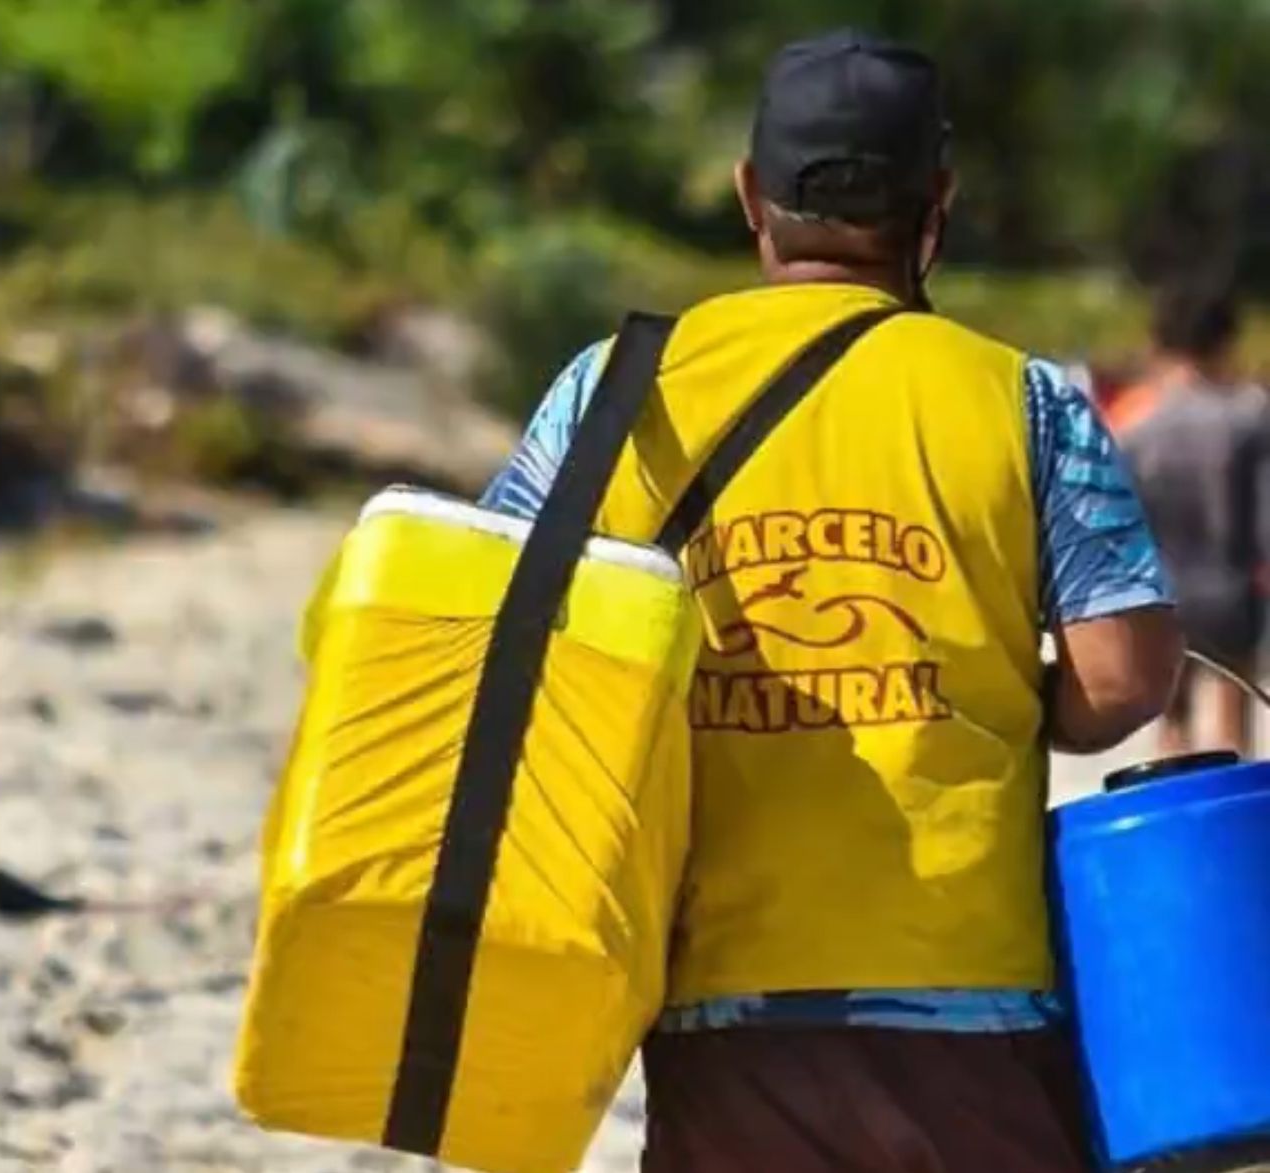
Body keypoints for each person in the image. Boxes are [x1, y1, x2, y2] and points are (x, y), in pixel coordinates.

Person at [485, 30, 1182, 1173]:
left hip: (714, 981)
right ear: (937, 202)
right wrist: (998, 691)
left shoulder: (610, 392)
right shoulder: (1027, 402)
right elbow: (1123, 680)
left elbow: (494, 618)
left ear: (751, 194)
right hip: (970, 985)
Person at [1120, 285, 1270, 757]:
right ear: (1225, 341)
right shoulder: (1250, 416)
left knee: (1170, 724)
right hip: (1230, 591)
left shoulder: (1135, 423)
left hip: (1158, 593)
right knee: (1233, 721)